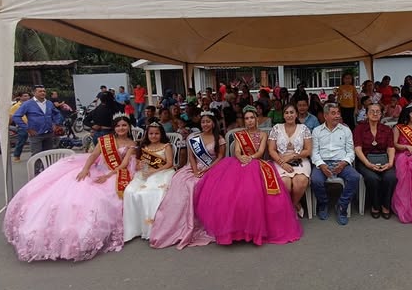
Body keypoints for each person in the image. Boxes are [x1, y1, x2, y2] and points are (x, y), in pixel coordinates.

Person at [3, 115, 136, 262]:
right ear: (114, 127)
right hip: (98, 169)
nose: (121, 128)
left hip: (114, 173)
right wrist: (85, 169)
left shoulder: (132, 144)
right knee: (74, 192)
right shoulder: (106, 140)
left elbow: (124, 164)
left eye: (124, 125)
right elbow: (93, 156)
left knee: (103, 198)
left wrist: (108, 175)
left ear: (129, 127)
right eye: (118, 125)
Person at [194, 106, 302, 245]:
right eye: (246, 118)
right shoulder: (240, 135)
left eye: (252, 118)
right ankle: (235, 230)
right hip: (237, 163)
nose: (249, 120)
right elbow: (237, 151)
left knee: (252, 194)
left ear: (256, 119)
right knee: (228, 194)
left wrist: (250, 158)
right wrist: (241, 157)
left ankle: (253, 230)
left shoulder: (263, 134)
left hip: (256, 163)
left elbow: (261, 152)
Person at [150, 113, 225, 249]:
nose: (205, 124)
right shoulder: (194, 138)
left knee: (197, 185)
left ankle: (200, 221)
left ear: (213, 123)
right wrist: (195, 171)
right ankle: (177, 223)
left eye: (208, 121)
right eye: (203, 122)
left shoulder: (219, 138)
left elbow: (220, 157)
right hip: (193, 168)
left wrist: (207, 169)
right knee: (181, 183)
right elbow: (191, 157)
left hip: (213, 168)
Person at [123, 121, 175, 242]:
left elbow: (169, 163)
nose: (153, 136)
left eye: (156, 133)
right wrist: (140, 166)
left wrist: (154, 171)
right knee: (129, 191)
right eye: (151, 133)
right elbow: (139, 163)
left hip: (162, 173)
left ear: (161, 134)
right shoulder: (144, 147)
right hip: (145, 174)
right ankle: (135, 228)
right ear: (147, 134)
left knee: (147, 193)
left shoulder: (166, 146)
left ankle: (149, 228)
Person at [311, 103, 361, 225]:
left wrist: (343, 163)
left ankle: (342, 206)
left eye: (338, 113)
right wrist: (322, 165)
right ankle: (323, 204)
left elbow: (351, 152)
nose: (337, 116)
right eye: (333, 113)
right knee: (316, 180)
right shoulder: (317, 131)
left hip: (341, 162)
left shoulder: (346, 130)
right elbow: (314, 152)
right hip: (323, 162)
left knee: (354, 177)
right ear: (325, 116)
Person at [268, 104, 313, 218]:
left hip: (300, 160)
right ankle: (296, 205)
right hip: (280, 160)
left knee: (301, 181)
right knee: (285, 183)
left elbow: (308, 151)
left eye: (292, 112)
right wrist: (282, 163)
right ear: (283, 115)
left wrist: (292, 156)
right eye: (286, 113)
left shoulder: (303, 128)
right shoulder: (276, 128)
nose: (289, 115)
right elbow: (271, 150)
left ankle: (291, 206)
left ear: (296, 114)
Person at [353, 103, 396, 219]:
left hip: (384, 159)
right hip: (365, 160)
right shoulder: (359, 129)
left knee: (390, 177)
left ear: (381, 114)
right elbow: (357, 148)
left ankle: (386, 205)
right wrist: (368, 164)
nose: (375, 113)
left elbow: (391, 147)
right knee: (373, 178)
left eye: (378, 111)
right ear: (367, 114)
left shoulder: (387, 129)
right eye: (372, 111)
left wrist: (390, 163)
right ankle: (375, 205)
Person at [12, 84, 61, 156]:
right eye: (40, 91)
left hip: (49, 133)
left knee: (49, 155)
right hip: (36, 134)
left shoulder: (49, 103)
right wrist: (27, 128)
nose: (43, 93)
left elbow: (56, 113)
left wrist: (56, 124)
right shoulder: (27, 104)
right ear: (34, 93)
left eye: (44, 91)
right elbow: (16, 116)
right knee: (37, 155)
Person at [9, 91, 30, 162]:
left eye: (28, 96)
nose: (27, 97)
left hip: (32, 125)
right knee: (21, 141)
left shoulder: (31, 104)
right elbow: (11, 116)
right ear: (20, 97)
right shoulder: (15, 106)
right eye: (25, 96)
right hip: (22, 126)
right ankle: (16, 155)